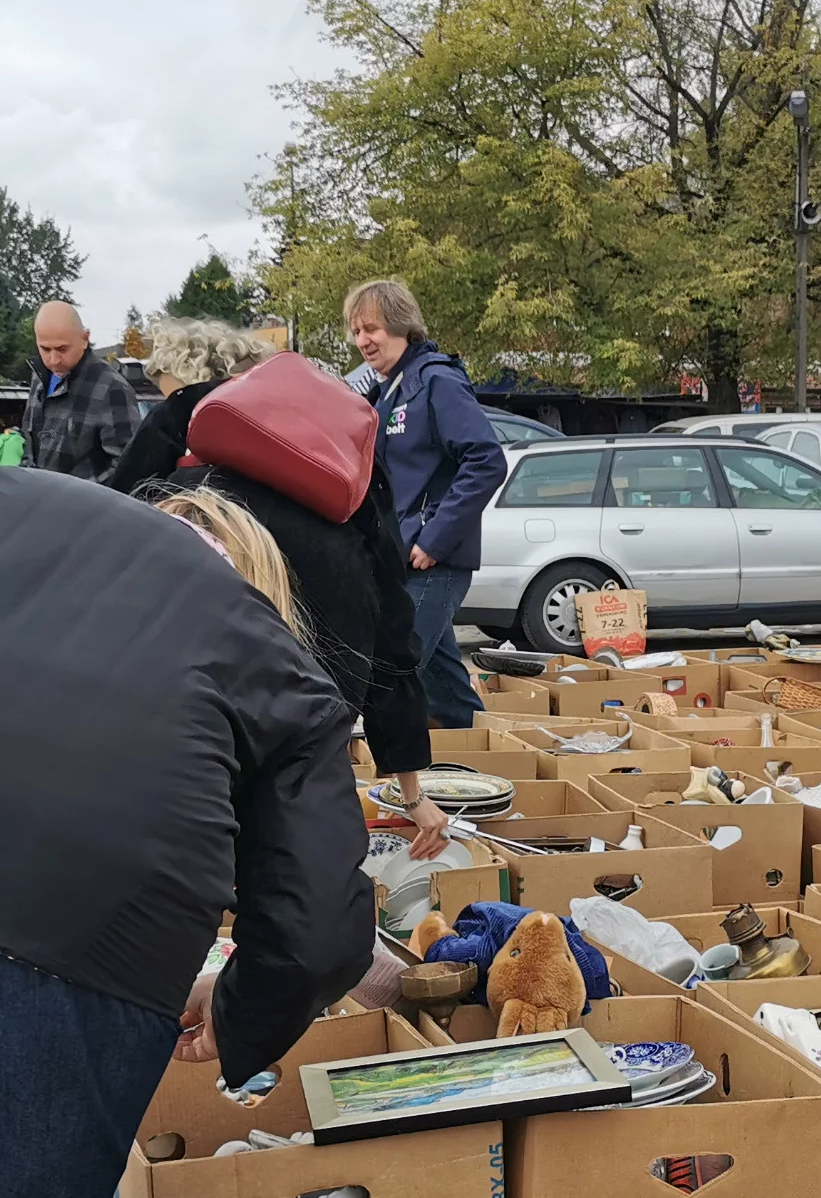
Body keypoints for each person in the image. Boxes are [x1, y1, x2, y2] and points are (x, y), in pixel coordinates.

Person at [0, 469, 371, 1198]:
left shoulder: (35, 510)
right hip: (89, 933)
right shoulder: (264, 649)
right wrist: (240, 1016)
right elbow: (319, 925)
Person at [110, 318, 450, 857]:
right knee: (305, 846)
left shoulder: (177, 430)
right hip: (326, 676)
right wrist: (411, 790)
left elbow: (109, 533)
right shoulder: (335, 446)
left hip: (190, 711)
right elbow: (392, 625)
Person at [344, 280, 506, 727]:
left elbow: (487, 461)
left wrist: (435, 538)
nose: (362, 341)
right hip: (405, 559)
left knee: (392, 670)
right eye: (356, 331)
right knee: (444, 687)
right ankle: (486, 761)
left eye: (371, 328)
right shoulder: (390, 389)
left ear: (400, 324)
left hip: (434, 561)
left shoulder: (437, 381)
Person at [19, 301, 140, 482]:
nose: (54, 360)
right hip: (38, 502)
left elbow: (128, 466)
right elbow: (28, 444)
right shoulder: (39, 377)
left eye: (62, 349)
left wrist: (79, 497)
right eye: (45, 349)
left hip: (86, 507)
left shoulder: (112, 389)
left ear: (85, 339)